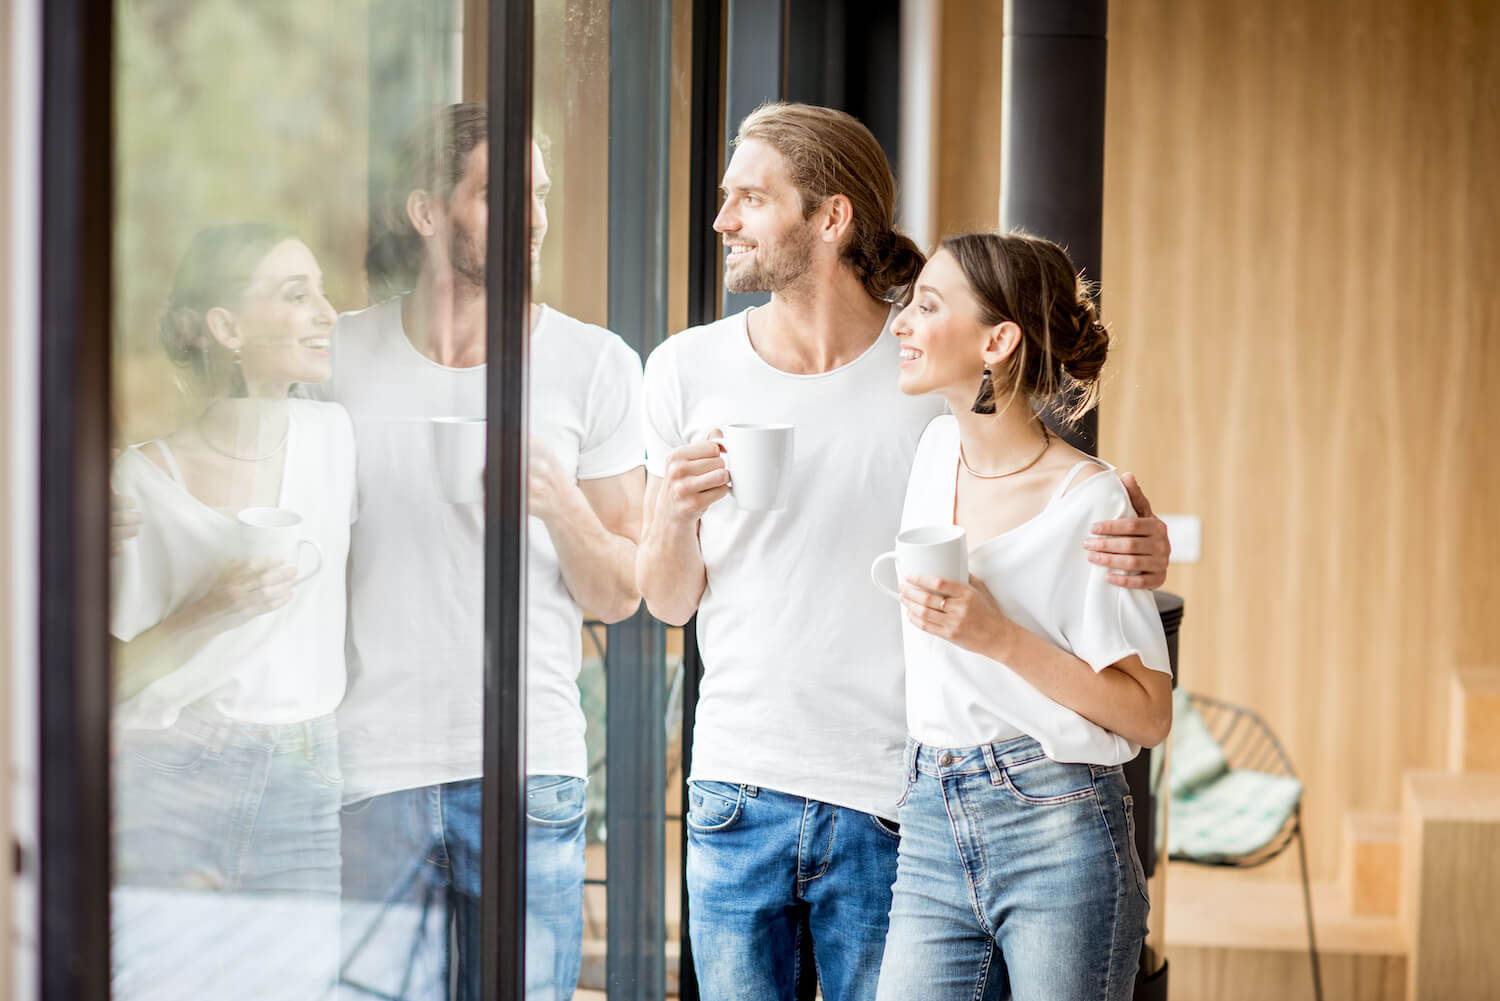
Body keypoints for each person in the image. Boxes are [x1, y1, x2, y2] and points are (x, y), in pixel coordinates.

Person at [636, 102, 1171, 1001]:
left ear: (830, 215)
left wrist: (1128, 533)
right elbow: (666, 601)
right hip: (736, 782)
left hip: (895, 793)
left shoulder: (926, 372)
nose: (722, 220)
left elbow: (1031, 472)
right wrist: (669, 512)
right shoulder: (684, 370)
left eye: (750, 198)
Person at [325, 103, 644, 1001]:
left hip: (524, 770)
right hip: (371, 766)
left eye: (539, 192)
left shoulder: (596, 365)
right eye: (502, 193)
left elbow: (622, 592)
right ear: (429, 211)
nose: (534, 214)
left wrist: (556, 502)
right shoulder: (337, 359)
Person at [872, 231, 1173, 1000]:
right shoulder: (937, 450)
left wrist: (996, 634)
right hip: (932, 814)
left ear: (997, 341)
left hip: (1057, 825)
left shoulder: (1091, 502)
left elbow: (1147, 714)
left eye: (928, 305)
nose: (902, 323)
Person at [109, 222, 354, 1000]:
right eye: (295, 294)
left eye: (320, 289)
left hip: (304, 768)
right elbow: (106, 676)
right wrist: (207, 608)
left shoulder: (335, 438)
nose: (327, 310)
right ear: (224, 327)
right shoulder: (140, 483)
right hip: (172, 766)